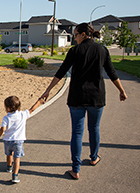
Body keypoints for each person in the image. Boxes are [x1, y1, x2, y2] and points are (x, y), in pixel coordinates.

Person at [40, 23, 127, 180]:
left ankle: (76, 169)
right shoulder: (102, 50)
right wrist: (121, 91)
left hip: (77, 97)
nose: (75, 38)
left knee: (77, 133)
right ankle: (94, 157)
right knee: (94, 129)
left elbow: (61, 71)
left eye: (75, 35)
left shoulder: (75, 51)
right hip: (97, 97)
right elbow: (112, 73)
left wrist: (48, 90)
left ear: (83, 34)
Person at [0, 96, 44, 183]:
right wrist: (38, 101)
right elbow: (32, 109)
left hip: (8, 140)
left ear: (8, 108)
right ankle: (15, 175)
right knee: (17, 158)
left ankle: (9, 167)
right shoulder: (22, 114)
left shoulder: (6, 118)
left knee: (9, 154)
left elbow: (2, 129)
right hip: (18, 141)